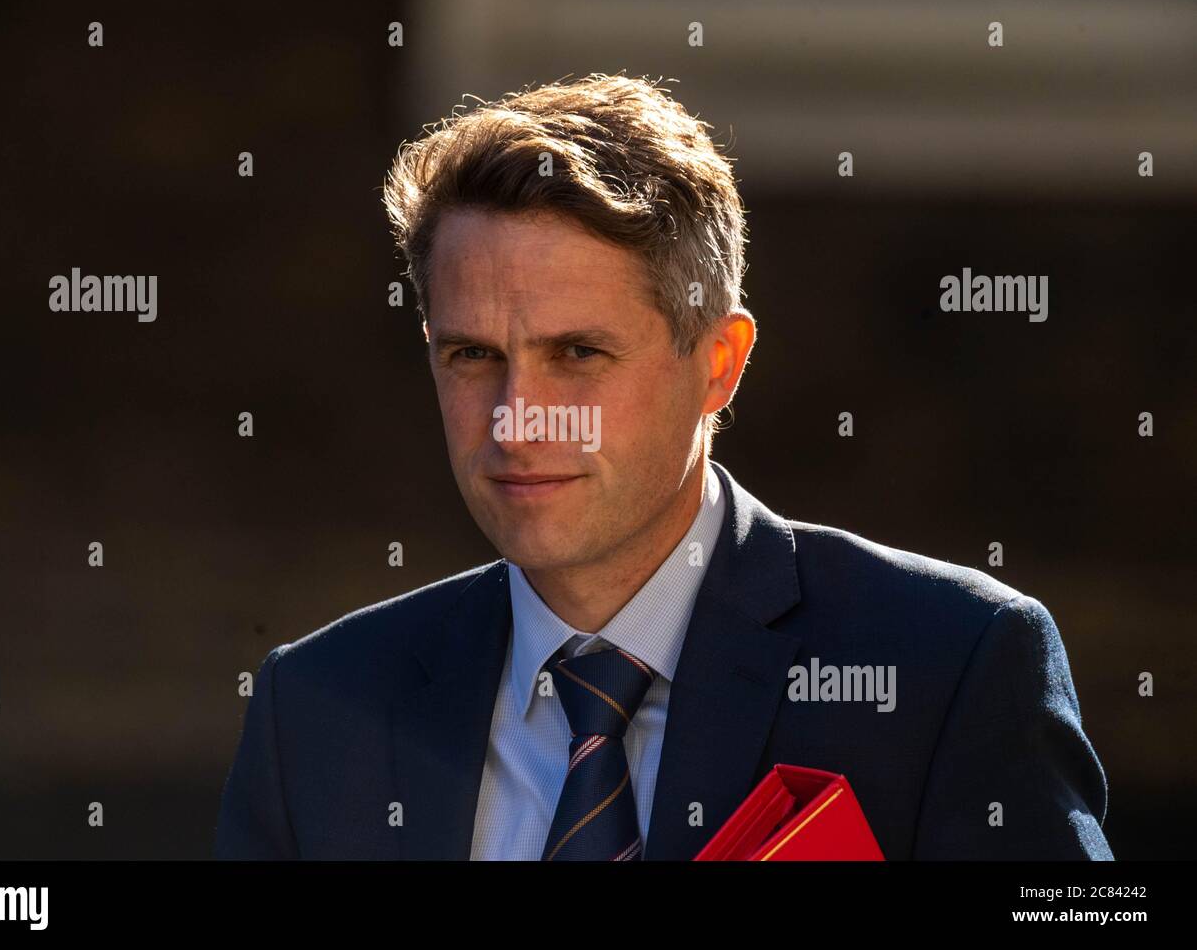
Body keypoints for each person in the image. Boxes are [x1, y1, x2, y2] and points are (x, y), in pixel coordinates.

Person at [214, 74, 1112, 860]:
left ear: (717, 363)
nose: (517, 416)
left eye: (577, 353)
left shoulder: (948, 666)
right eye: (473, 356)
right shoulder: (320, 709)